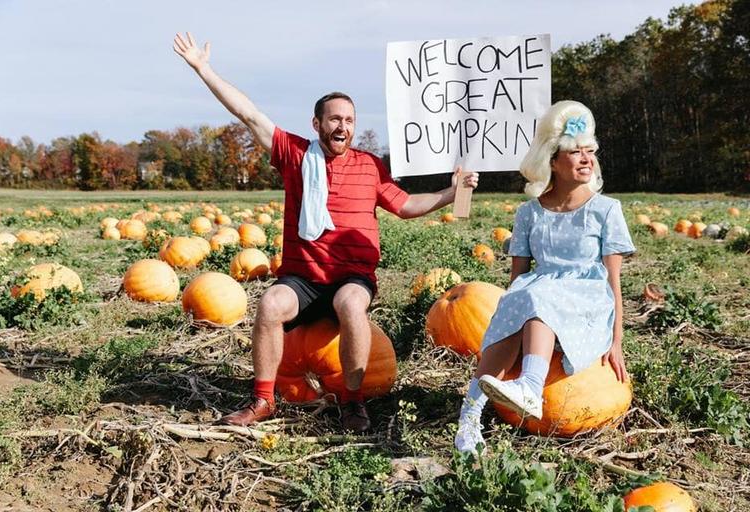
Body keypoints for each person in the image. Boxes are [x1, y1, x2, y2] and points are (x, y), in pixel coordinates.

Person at [173, 32, 479, 433]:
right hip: (302, 278)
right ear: (317, 123)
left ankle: (353, 401)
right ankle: (263, 399)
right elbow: (249, 114)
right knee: (268, 305)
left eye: (349, 120)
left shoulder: (370, 166)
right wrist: (203, 68)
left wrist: (451, 193)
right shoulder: (296, 155)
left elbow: (404, 206)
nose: (343, 126)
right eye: (335, 118)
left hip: (350, 278)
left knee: (352, 304)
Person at [454, 100, 635, 454]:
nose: (586, 159)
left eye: (590, 152)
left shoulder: (606, 210)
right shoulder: (528, 213)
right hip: (539, 291)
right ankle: (469, 419)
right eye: (575, 152)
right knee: (518, 301)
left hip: (587, 297)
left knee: (537, 297)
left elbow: (614, 281)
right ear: (552, 160)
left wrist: (617, 340)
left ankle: (531, 387)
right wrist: (507, 321)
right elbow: (517, 276)